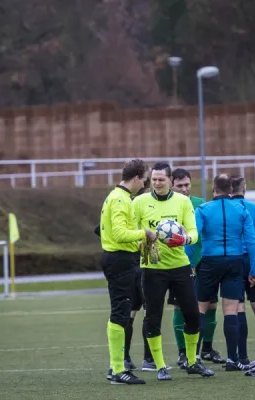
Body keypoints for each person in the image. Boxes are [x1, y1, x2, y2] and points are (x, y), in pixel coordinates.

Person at [132, 162, 214, 380]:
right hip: (152, 267)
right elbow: (132, 231)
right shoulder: (139, 202)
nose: (157, 183)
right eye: (154, 179)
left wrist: (183, 239)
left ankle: (193, 362)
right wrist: (142, 240)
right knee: (153, 318)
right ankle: (159, 366)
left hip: (180, 267)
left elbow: (195, 233)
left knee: (193, 316)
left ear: (170, 180)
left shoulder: (183, 202)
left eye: (161, 179)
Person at [195, 174, 255, 372]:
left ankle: (193, 357)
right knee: (231, 310)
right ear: (231, 190)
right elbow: (251, 241)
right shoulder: (241, 209)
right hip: (234, 261)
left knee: (201, 309)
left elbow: (194, 237)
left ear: (213, 189)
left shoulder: (203, 209)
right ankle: (233, 359)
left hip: (208, 262)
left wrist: (188, 264)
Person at [99, 159, 155, 385]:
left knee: (120, 312)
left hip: (120, 259)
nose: (144, 185)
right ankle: (118, 370)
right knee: (120, 313)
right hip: (120, 260)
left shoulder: (115, 196)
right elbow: (121, 234)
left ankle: (116, 367)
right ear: (135, 178)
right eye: (143, 180)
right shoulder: (121, 200)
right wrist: (145, 234)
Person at [169, 168, 224, 368]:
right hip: (178, 264)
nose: (184, 189)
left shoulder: (201, 205)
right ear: (171, 184)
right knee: (180, 307)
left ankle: (207, 349)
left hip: (203, 265)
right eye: (179, 185)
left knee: (211, 306)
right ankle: (183, 353)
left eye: (187, 185)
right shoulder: (167, 206)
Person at [229, 176, 255, 365]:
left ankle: (242, 355)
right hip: (252, 260)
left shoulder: (226, 210)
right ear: (244, 188)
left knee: (238, 307)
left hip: (234, 262)